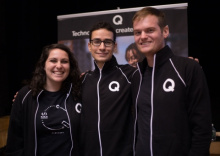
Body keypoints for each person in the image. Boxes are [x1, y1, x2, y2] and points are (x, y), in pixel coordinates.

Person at [131, 7, 212, 156]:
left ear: (165, 31)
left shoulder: (188, 68)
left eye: (149, 30)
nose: (142, 36)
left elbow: (202, 128)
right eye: (137, 32)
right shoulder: (136, 75)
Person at [5, 43, 82, 156]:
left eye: (64, 61)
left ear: (70, 66)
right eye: (53, 60)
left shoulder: (78, 93)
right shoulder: (26, 95)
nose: (59, 66)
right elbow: (15, 141)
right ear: (43, 65)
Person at [80, 21, 137, 156]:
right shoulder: (83, 80)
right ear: (89, 46)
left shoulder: (130, 74)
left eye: (107, 42)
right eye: (97, 42)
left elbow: (157, 75)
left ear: (115, 46)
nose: (102, 47)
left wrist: (185, 68)